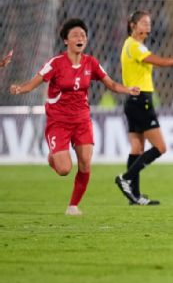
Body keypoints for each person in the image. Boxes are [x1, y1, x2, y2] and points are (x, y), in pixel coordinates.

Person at [9, 18, 140, 215]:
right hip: (58, 122)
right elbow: (35, 81)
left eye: (83, 35)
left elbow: (111, 84)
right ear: (66, 41)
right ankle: (53, 157)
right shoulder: (56, 63)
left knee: (85, 162)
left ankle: (73, 206)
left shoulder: (91, 63)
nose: (80, 38)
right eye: (75, 35)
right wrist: (20, 88)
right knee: (64, 169)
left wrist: (128, 89)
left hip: (82, 120)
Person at [114, 10, 173, 206]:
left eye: (149, 22)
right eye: (144, 22)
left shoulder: (133, 46)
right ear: (133, 25)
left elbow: (157, 64)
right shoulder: (135, 46)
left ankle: (135, 197)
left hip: (133, 101)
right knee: (160, 147)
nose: (148, 25)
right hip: (141, 101)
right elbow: (162, 62)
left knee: (137, 148)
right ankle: (125, 179)